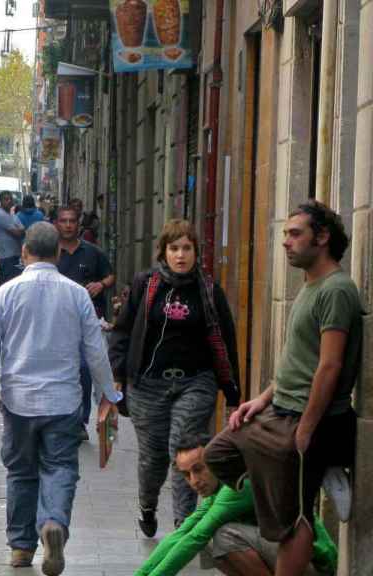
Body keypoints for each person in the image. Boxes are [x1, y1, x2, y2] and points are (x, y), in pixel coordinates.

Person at [205, 200, 361, 576]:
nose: (285, 242)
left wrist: (307, 429)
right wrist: (260, 400)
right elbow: (298, 359)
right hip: (279, 411)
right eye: (285, 234)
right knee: (219, 453)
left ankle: (315, 469)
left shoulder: (336, 290)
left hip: (307, 419)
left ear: (322, 237)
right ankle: (311, 474)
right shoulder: (310, 287)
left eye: (295, 234)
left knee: (294, 519)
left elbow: (329, 365)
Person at [0, 222, 122, 573]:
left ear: (24, 253)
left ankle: (21, 548)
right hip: (64, 401)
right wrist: (108, 395)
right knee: (61, 467)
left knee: (21, 472)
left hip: (18, 400)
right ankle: (53, 523)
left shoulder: (7, 292)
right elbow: (95, 350)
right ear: (56, 254)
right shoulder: (77, 294)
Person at [109, 219, 240, 536]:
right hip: (147, 384)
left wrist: (232, 392)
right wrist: (117, 375)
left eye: (187, 248)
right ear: (163, 252)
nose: (181, 255)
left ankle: (183, 523)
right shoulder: (146, 284)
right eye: (174, 248)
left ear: (197, 252)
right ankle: (147, 504)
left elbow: (225, 340)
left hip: (195, 382)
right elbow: (123, 330)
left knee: (182, 450)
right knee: (153, 458)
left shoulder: (208, 291)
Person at [136, 434, 337, 576]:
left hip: (314, 563)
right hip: (287, 556)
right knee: (206, 541)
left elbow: (196, 537)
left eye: (199, 469)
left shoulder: (237, 487)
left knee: (223, 536)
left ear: (215, 460)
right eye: (187, 474)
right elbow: (182, 533)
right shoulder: (219, 489)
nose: (194, 481)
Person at [55, 205, 116, 440]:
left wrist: (101, 284)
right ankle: (61, 418)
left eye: (72, 221)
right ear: (57, 224)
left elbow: (110, 275)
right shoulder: (52, 253)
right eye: (64, 221)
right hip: (58, 320)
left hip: (88, 321)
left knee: (83, 370)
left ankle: (80, 421)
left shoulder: (93, 252)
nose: (68, 225)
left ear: (78, 224)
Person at [0, 191, 25, 284]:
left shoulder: (11, 215)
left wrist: (20, 231)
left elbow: (23, 230)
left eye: (11, 199)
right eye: (6, 199)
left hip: (14, 256)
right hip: (6, 257)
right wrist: (20, 230)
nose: (9, 201)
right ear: (0, 201)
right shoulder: (0, 214)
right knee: (6, 284)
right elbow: (19, 233)